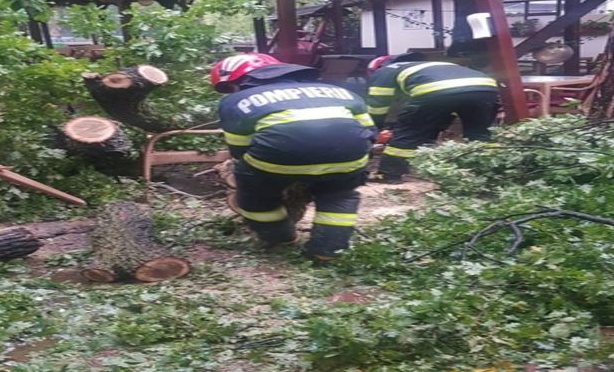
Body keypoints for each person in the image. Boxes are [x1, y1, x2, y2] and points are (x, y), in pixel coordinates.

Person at [212, 53, 375, 263]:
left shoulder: (235, 101)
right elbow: (370, 131)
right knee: (339, 195)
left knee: (255, 193)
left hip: (276, 159)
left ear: (237, 79)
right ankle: (327, 251)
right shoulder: (340, 91)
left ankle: (280, 237)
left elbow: (239, 148)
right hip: (349, 156)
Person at [366, 52, 499, 182]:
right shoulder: (431, 67)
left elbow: (377, 105)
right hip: (486, 88)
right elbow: (454, 102)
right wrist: (441, 123)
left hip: (436, 91)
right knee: (479, 133)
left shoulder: (385, 71)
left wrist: (373, 128)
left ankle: (390, 173)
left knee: (410, 132)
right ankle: (490, 171)